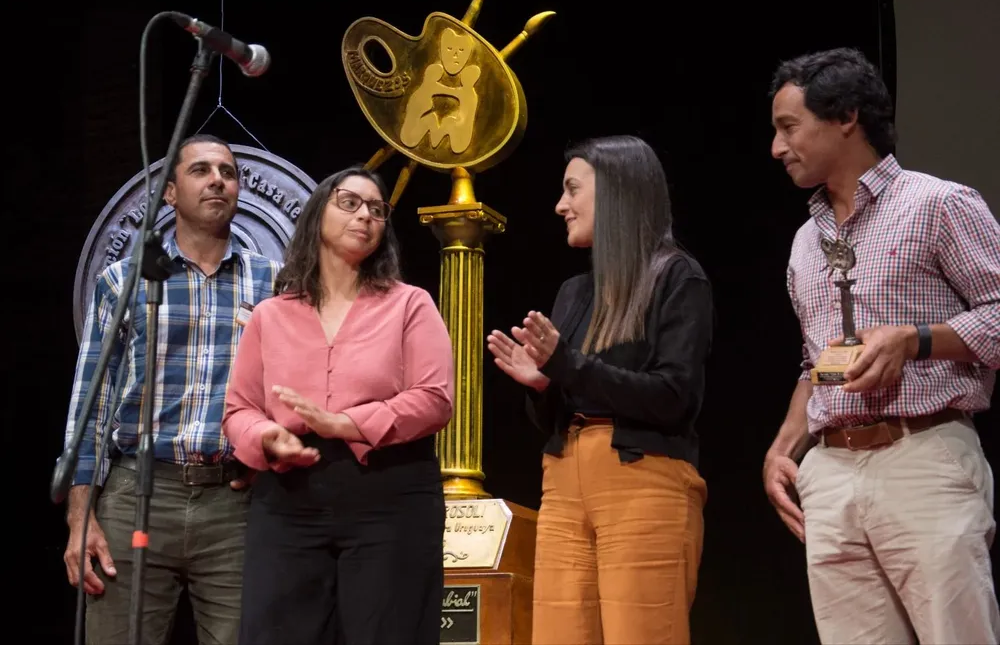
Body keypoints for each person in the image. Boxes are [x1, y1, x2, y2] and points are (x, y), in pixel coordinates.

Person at [763, 47, 1000, 644]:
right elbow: (813, 364)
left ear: (845, 116)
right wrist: (784, 447)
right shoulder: (802, 242)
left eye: (789, 127)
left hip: (921, 453)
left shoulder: (938, 203)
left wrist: (916, 340)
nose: (776, 147)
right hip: (831, 470)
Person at [487, 135, 714, 645]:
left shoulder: (676, 277)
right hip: (565, 481)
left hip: (642, 479)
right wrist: (545, 384)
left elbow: (673, 396)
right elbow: (556, 410)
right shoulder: (575, 291)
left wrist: (568, 366)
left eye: (573, 190)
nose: (560, 206)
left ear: (616, 193)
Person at [60, 133, 283, 644]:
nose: (217, 181)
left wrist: (266, 456)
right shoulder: (125, 280)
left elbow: (296, 388)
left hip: (235, 503)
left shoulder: (275, 284)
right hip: (137, 491)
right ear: (169, 192)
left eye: (227, 172)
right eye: (201, 170)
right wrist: (81, 517)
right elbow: (89, 405)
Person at [222, 165, 454, 645]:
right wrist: (266, 437)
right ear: (316, 216)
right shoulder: (271, 314)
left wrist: (345, 422)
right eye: (349, 202)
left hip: (389, 494)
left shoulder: (410, 304)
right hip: (291, 496)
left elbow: (434, 399)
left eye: (377, 209)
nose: (365, 215)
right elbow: (239, 409)